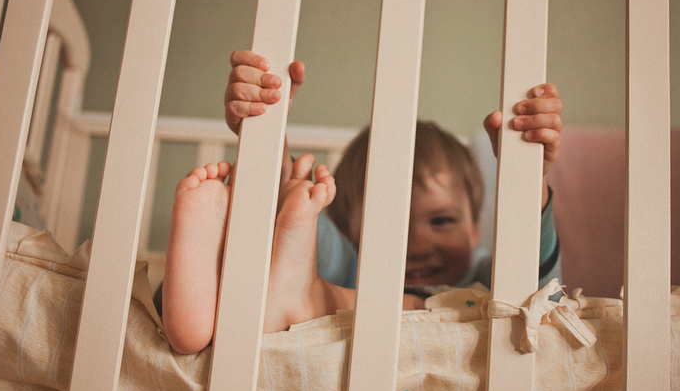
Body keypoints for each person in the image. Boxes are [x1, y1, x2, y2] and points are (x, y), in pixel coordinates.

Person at [224, 50, 562, 293]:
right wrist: (264, 128)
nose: (417, 246)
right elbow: (296, 219)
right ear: (349, 232)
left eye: (441, 221)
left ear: (475, 229)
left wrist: (528, 175)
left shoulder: (486, 280)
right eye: (390, 222)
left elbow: (537, 284)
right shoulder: (348, 273)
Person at [162, 155, 423, 354]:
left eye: (440, 221)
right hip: (334, 269)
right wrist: (268, 121)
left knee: (424, 303)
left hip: (272, 283)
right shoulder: (348, 258)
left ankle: (248, 281)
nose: (419, 242)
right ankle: (300, 296)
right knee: (409, 304)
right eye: (395, 225)